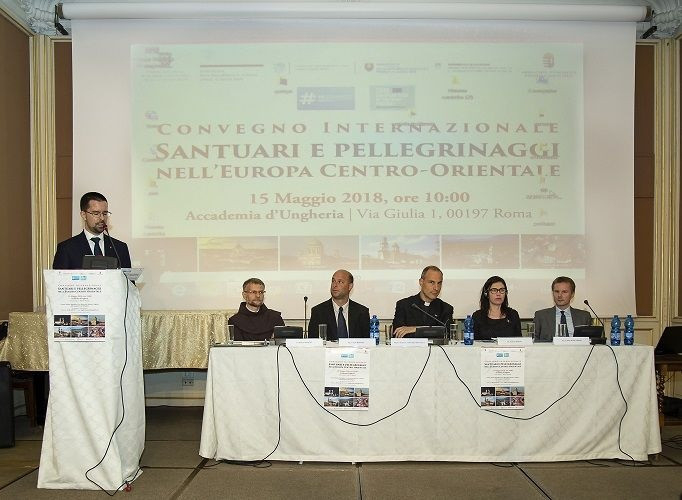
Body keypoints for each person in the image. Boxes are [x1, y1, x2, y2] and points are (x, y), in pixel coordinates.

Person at [52, 192, 131, 269]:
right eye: (96, 213)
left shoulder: (120, 248)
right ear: (84, 215)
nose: (102, 218)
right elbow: (59, 278)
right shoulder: (66, 249)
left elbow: (128, 277)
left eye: (105, 213)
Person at [308, 270, 370, 341]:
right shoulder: (318, 312)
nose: (334, 285)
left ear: (350, 286)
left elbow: (367, 342)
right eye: (333, 281)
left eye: (340, 282)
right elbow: (313, 342)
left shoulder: (362, 312)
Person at [392, 265, 454, 337]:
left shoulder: (446, 308)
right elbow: (398, 333)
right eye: (432, 282)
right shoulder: (404, 305)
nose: (436, 288)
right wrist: (431, 332)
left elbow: (447, 332)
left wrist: (416, 329)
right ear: (421, 282)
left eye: (439, 283)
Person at [533, 276, 591, 341]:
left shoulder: (584, 317)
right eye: (556, 291)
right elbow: (533, 341)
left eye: (564, 292)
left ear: (572, 294)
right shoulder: (541, 316)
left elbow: (590, 341)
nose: (559, 295)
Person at [471, 276, 521, 340]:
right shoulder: (478, 316)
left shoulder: (513, 315)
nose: (498, 294)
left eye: (502, 290)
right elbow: (474, 343)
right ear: (486, 294)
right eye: (494, 290)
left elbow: (519, 341)